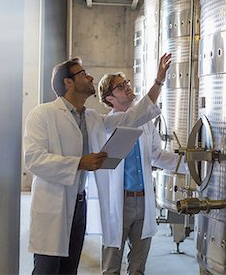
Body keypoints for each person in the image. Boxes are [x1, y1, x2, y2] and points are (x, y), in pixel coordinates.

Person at [23, 53, 172, 275]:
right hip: (53, 204)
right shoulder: (42, 114)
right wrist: (79, 163)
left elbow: (132, 117)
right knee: (46, 269)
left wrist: (158, 81)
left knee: (68, 269)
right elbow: (34, 159)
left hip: (78, 204)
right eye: (83, 73)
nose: (90, 77)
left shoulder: (91, 118)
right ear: (68, 82)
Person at [97, 58, 187, 275]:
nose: (127, 86)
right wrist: (158, 81)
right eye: (121, 86)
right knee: (111, 268)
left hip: (143, 200)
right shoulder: (106, 124)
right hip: (118, 203)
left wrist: (191, 166)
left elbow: (156, 155)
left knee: (138, 268)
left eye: (126, 81)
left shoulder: (144, 122)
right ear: (110, 98)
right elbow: (131, 119)